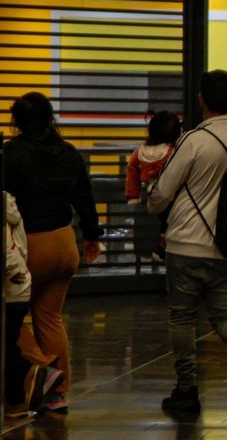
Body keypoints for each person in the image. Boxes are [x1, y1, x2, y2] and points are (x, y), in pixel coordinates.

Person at [148, 70, 227, 414]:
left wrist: (151, 204)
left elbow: (165, 191)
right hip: (225, 245)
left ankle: (186, 390)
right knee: (224, 312)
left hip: (186, 242)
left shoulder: (193, 140)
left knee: (182, 318)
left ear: (201, 100)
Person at [4, 92, 103, 414]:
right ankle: (58, 394)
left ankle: (40, 368)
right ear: (50, 118)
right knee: (50, 317)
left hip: (31, 245)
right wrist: (91, 236)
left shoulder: (12, 154)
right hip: (64, 242)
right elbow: (84, 197)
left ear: (16, 121)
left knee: (8, 316)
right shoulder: (68, 152)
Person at [3, 192, 66, 417]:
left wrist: (12, 270)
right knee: (8, 343)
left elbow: (6, 247)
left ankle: (34, 372)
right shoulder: (9, 203)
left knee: (5, 346)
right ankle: (15, 404)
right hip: (18, 287)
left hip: (10, 286)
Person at [125, 110, 181, 261]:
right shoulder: (173, 152)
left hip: (147, 195)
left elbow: (132, 173)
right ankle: (163, 244)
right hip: (169, 197)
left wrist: (133, 195)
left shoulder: (140, 151)